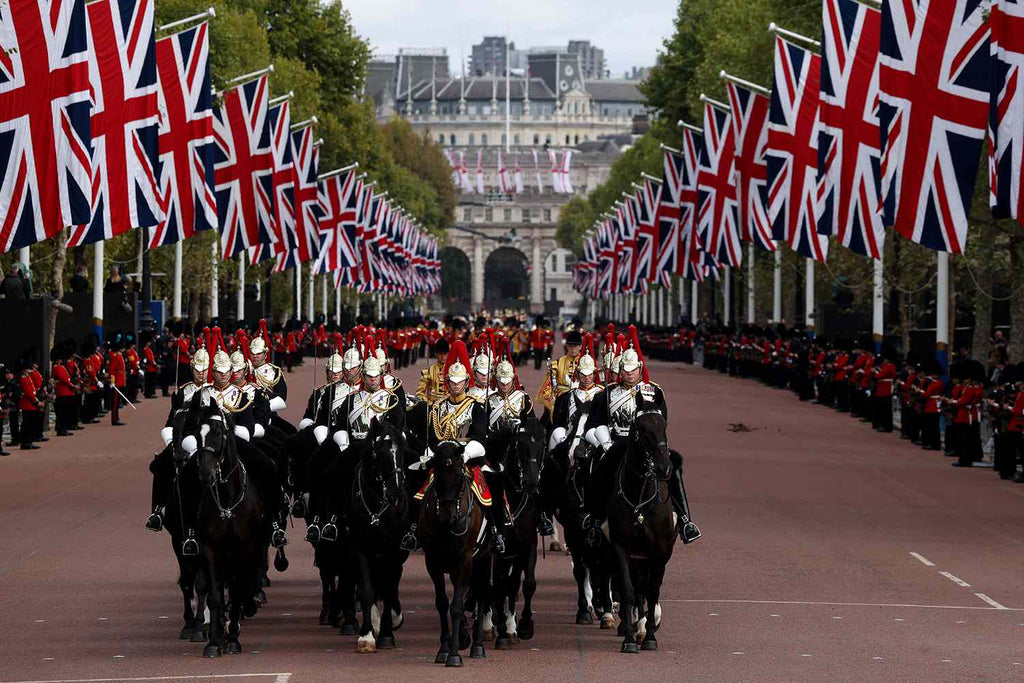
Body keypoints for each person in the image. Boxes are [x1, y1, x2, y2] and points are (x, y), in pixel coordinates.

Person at [582, 326, 701, 544]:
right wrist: (605, 442)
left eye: (633, 369)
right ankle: (594, 517)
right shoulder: (606, 394)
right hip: (617, 442)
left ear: (639, 368)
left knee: (672, 468)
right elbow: (591, 427)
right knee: (599, 471)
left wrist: (660, 446)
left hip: (649, 445)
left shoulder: (654, 391)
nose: (629, 373)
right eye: (625, 369)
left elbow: (661, 424)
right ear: (620, 369)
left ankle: (685, 521)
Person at [401, 341, 511, 557]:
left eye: (460, 382)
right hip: (442, 457)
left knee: (494, 483)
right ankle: (412, 529)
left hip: (468, 457)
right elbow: (432, 436)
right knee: (416, 480)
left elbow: (480, 435)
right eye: (452, 382)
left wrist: (466, 453)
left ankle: (498, 531)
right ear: (447, 382)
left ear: (466, 382)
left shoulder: (476, 406)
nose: (456, 386)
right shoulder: (437, 407)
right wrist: (437, 452)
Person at [415, 338, 449, 404]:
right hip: (432, 407)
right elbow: (419, 393)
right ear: (436, 354)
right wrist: (429, 403)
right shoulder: (428, 371)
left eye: (445, 354)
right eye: (440, 354)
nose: (443, 356)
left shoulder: (452, 370)